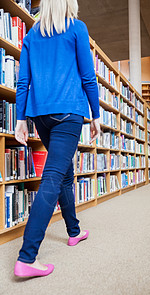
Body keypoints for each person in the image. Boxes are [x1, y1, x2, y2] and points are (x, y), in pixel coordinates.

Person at [14, 0, 100, 278]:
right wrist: (96, 114)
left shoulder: (30, 36)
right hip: (68, 113)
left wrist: (20, 120)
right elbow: (88, 76)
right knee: (53, 177)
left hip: (41, 116)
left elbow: (23, 81)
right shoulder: (77, 28)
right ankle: (27, 257)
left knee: (64, 173)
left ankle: (74, 231)